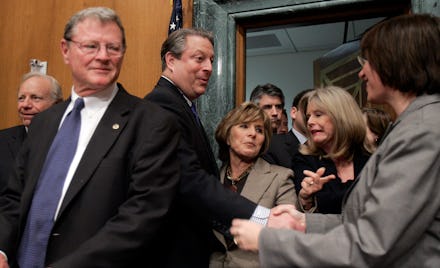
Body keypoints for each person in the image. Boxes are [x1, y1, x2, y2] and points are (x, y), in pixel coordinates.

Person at [230, 13, 440, 267]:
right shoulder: (413, 125)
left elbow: (371, 244)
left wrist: (268, 240)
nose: (361, 73)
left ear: (395, 62)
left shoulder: (422, 131)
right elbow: (365, 222)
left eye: (368, 62)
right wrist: (304, 221)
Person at [0, 7, 180, 267]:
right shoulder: (44, 122)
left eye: (114, 48)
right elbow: (14, 198)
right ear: (66, 50)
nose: (103, 56)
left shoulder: (153, 124)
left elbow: (141, 217)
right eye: (91, 46)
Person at [145, 28, 274, 267]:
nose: (209, 68)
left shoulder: (182, 104)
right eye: (199, 58)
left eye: (212, 61)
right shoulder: (163, 104)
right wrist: (262, 216)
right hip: (174, 251)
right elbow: (190, 181)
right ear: (171, 60)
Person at [210, 102, 297, 267]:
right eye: (244, 126)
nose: (252, 134)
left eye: (259, 130)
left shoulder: (280, 178)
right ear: (227, 136)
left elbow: (288, 235)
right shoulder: (212, 179)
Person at [293, 86, 371, 213]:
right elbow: (305, 215)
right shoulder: (305, 159)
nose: (310, 122)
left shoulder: (371, 157)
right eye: (308, 117)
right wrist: (305, 198)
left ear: (341, 116)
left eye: (318, 115)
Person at [0, 72, 62, 195]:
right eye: (21, 98)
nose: (25, 105)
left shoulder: (69, 141)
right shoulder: (2, 141)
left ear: (57, 104)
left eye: (35, 98)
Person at [263, 88, 313, 168]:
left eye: (318, 114)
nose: (312, 119)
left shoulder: (326, 147)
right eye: (308, 113)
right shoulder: (272, 145)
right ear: (294, 112)